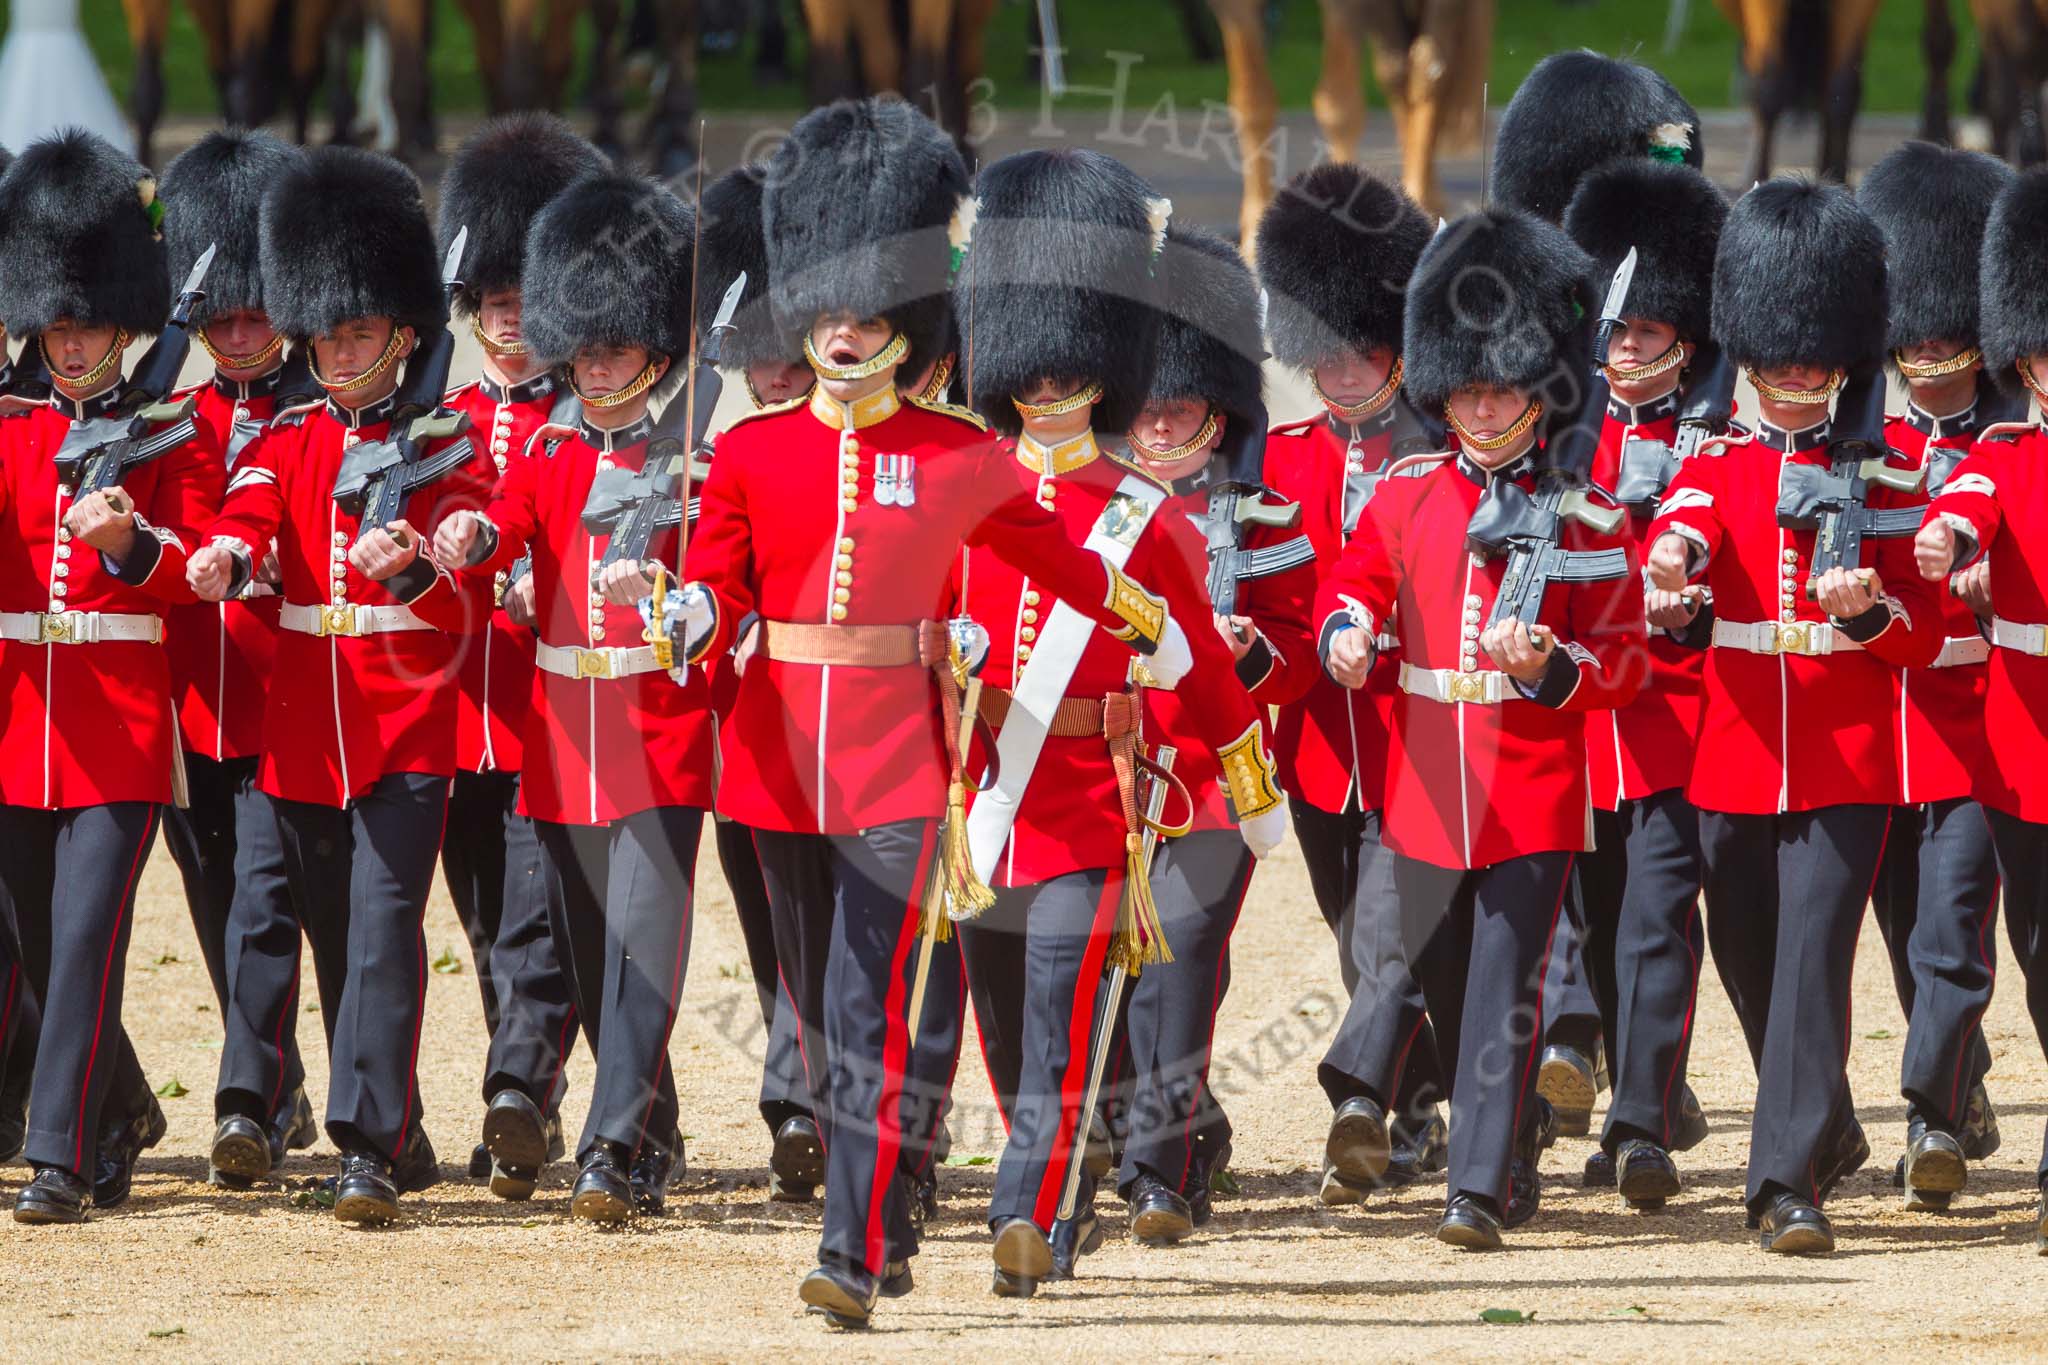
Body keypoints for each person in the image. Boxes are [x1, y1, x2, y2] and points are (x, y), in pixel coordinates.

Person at [675, 97, 1195, 1328]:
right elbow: (716, 573)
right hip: (774, 765)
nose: (846, 333)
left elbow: (1058, 558)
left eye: (868, 315)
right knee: (815, 1020)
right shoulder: (747, 450)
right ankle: (878, 1225)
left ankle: (848, 1253)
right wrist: (690, 615)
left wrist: (1143, 621)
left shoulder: (957, 450)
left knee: (865, 1010)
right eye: (830, 311)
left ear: (903, 327)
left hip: (905, 766)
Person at [947, 153, 1283, 1296]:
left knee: (1056, 1014)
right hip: (986, 805)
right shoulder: (964, 493)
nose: (1045, 384)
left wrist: (1246, 782)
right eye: (1026, 366)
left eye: (1067, 365)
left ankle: (1024, 1213)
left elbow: (1195, 665)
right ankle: (1059, 1170)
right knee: (1004, 1027)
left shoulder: (1146, 521)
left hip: (1094, 801)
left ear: (1104, 371)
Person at [1314, 206, 1647, 1250]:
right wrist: (1345, 631)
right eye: (1464, 385)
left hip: (1529, 780)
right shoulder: (1409, 491)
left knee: (1506, 982)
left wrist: (1552, 670)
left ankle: (1475, 1190)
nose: (1482, 402)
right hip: (1420, 780)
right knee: (1448, 989)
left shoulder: (1586, 510)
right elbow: (1352, 582)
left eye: (1500, 385)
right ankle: (1504, 1150)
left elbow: (1624, 660)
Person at [186, 145, 496, 1224]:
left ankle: (366, 1145)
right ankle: (314, 1114)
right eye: (324, 332)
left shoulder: (445, 440)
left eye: (356, 331)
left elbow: (472, 569)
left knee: (378, 933)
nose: (335, 349)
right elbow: (251, 508)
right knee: (276, 916)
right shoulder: (290, 434)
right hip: (299, 734)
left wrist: (424, 553)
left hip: (406, 727)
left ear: (402, 333)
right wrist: (224, 555)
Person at [1646, 177, 1941, 1253]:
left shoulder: (1893, 470)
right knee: (1748, 951)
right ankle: (1824, 1123)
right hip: (1733, 748)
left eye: (1810, 356)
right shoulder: (1713, 460)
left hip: (1847, 752)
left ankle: (1782, 1187)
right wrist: (1671, 576)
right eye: (1773, 354)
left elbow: (1919, 631)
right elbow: (1672, 540)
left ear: (1841, 356)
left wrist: (1865, 614)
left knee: (1815, 956)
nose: (1790, 374)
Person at [439, 167, 706, 1223]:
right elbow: (505, 516)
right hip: (560, 737)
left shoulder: (696, 460)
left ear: (653, 350)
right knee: (591, 961)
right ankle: (640, 1144)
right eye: (585, 347)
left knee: (643, 948)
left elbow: (723, 588)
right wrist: (472, 540)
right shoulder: (549, 452)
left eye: (616, 347)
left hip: (657, 733)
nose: (597, 365)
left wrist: (669, 594)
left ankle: (604, 1147)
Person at [0, 128, 222, 1223]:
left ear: (124, 320)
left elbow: (199, 573)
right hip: (16, 722)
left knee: (85, 937)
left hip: (121, 727)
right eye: (58, 319)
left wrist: (131, 545)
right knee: (41, 947)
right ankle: (122, 1106)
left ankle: (59, 1159)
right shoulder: (7, 429)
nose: (73, 340)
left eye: (89, 320)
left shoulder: (169, 432)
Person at [1114, 222, 1313, 1243]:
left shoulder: (1263, 518)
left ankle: (1157, 1171)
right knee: (1112, 970)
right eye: (1145, 404)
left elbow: (1298, 658)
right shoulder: (1083, 508)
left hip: (1209, 778)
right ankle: (1159, 1130)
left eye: (1180, 406)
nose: (1159, 421)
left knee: (1183, 959)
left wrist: (1242, 655)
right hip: (1098, 772)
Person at [1253, 160, 1448, 1204]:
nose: (1336, 371)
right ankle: (1415, 1112)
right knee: (1355, 933)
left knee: (1388, 933)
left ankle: (1358, 1101)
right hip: (1322, 747)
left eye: (1359, 349)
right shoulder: (1280, 461)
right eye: (1318, 352)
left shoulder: (1445, 449)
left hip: (1425, 735)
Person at [151, 127, 325, 1190]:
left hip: (287, 702)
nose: (240, 329)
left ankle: (245, 1105)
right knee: (215, 901)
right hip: (187, 702)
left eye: (257, 310)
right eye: (222, 314)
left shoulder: (323, 418)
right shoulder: (173, 422)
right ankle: (276, 1074)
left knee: (264, 905)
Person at [435, 111, 603, 1202]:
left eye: (522, 294)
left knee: (554, 922)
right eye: (492, 297)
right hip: (462, 712)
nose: (506, 314)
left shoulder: (596, 424)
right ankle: (527, 1108)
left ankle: (528, 1087)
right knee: (489, 917)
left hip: (560, 713)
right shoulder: (441, 422)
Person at [1556, 154, 1727, 1204]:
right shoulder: (1562, 433)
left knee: (1657, 916)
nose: (1624, 350)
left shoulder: (1712, 440)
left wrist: (1686, 596)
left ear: (1683, 341)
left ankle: (1639, 1127)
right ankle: (1627, 1088)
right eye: (1614, 332)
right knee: (1589, 914)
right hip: (1576, 719)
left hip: (1673, 720)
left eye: (1645, 334)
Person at [1858, 140, 2012, 1209]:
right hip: (1873, 717)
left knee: (1952, 929)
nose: (1925, 350)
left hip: (1977, 720)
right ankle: (1961, 1079)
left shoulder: (2010, 439)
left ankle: (1926, 1118)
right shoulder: (1861, 440)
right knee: (1906, 929)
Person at [1916, 160, 2048, 1254]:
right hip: (2028, 747)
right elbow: (1962, 499)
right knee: (2038, 949)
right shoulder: (2003, 452)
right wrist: (1943, 543)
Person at [694, 160, 825, 1205]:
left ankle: (815, 1100)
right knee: (774, 918)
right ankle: (799, 1098)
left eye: (785, 358)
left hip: (864, 719)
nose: (770, 374)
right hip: (756, 720)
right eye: (757, 360)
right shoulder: (723, 446)